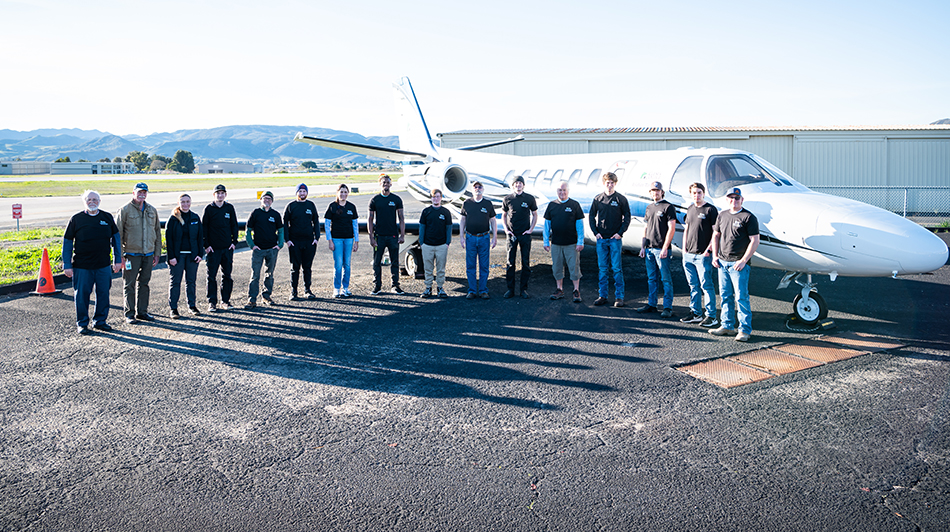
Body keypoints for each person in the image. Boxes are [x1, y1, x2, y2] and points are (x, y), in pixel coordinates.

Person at [63, 190, 122, 335]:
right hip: (82, 266)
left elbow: (116, 240)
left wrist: (117, 260)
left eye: (95, 199)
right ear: (84, 201)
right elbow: (67, 242)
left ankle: (100, 321)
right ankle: (82, 323)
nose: (92, 202)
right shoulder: (76, 219)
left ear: (99, 201)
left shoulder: (106, 217)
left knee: (103, 294)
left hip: (103, 265)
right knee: (82, 295)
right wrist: (67, 264)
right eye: (89, 199)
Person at [710, 187, 760, 342]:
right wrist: (715, 255)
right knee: (725, 296)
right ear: (727, 199)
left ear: (742, 200)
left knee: (741, 297)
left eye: (737, 198)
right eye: (731, 198)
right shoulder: (722, 215)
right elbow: (716, 235)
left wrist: (743, 260)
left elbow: (755, 240)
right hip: (723, 262)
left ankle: (744, 330)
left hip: (738, 265)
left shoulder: (748, 217)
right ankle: (727, 326)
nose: (734, 200)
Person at [116, 182, 161, 324]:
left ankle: (142, 312)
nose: (142, 194)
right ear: (133, 193)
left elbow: (157, 233)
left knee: (144, 283)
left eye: (144, 192)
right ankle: (129, 313)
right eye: (139, 192)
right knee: (129, 284)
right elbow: (118, 235)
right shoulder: (125, 210)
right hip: (131, 254)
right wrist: (120, 256)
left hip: (148, 254)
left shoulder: (152, 210)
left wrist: (157, 253)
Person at [680, 182, 720, 328]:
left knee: (706, 286)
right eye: (694, 193)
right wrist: (684, 250)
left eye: (699, 192)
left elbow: (716, 233)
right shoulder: (690, 209)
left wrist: (708, 251)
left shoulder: (710, 210)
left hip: (702, 256)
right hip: (688, 255)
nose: (696, 195)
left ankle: (711, 316)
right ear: (691, 194)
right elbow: (687, 229)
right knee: (693, 286)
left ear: (703, 193)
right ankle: (696, 313)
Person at [589, 172, 631, 307]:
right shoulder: (598, 199)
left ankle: (619, 297)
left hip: (615, 240)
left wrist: (620, 233)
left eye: (612, 182)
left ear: (615, 184)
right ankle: (603, 295)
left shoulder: (620, 199)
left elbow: (627, 218)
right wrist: (596, 233)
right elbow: (591, 217)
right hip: (602, 239)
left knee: (617, 269)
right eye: (607, 182)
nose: (610, 185)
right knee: (602, 269)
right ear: (604, 183)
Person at [637, 181, 677, 317]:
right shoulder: (649, 208)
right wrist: (643, 247)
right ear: (650, 193)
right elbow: (646, 228)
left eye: (657, 191)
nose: (655, 193)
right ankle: (652, 304)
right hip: (649, 249)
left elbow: (672, 228)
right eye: (653, 191)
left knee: (666, 279)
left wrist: (665, 247)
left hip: (661, 249)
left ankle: (667, 307)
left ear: (662, 192)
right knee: (651, 279)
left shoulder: (668, 207)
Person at [543, 182, 584, 303]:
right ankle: (559, 289)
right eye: (560, 190)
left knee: (574, 267)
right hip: (556, 243)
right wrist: (546, 241)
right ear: (557, 191)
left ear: (568, 191)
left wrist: (580, 241)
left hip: (571, 243)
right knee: (557, 267)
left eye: (564, 190)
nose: (562, 192)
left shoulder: (574, 205)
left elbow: (580, 226)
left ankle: (576, 291)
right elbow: (547, 226)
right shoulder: (552, 205)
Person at [165, 193, 204, 319]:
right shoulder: (173, 219)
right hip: (177, 256)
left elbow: (199, 238)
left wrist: (199, 254)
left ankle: (192, 306)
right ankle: (174, 309)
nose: (185, 204)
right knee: (175, 282)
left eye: (187, 201)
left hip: (192, 256)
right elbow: (169, 240)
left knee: (191, 282)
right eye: (183, 202)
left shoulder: (195, 217)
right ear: (178, 203)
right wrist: (171, 256)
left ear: (190, 202)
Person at [203, 184, 239, 312]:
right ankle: (212, 302)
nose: (220, 195)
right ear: (214, 195)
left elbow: (234, 226)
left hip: (227, 249)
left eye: (222, 193)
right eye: (218, 193)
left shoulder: (229, 208)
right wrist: (206, 245)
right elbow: (204, 228)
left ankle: (225, 301)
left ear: (225, 195)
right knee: (211, 276)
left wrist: (234, 242)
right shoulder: (209, 209)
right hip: (213, 250)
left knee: (227, 276)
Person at [244, 191, 284, 309]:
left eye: (269, 199)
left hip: (271, 249)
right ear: (261, 199)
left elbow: (281, 230)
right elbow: (248, 230)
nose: (267, 200)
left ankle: (266, 296)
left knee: (269, 274)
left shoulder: (275, 215)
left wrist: (280, 244)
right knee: (255, 275)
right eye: (264, 198)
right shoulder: (255, 213)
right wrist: (252, 245)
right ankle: (252, 299)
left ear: (272, 201)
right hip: (258, 250)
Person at [368, 174, 406, 295]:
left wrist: (402, 235)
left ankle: (395, 286)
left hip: (393, 236)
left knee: (394, 262)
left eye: (388, 182)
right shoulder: (375, 200)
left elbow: (401, 218)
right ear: (380, 184)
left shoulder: (396, 199)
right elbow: (370, 219)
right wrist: (371, 237)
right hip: (379, 236)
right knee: (376, 262)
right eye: (383, 182)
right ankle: (377, 286)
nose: (386, 184)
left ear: (391, 184)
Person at [502, 175, 538, 299]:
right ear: (513, 186)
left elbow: (534, 214)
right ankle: (510, 290)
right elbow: (504, 214)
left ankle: (523, 289)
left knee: (526, 263)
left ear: (523, 185)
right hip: (512, 235)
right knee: (510, 263)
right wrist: (506, 230)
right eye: (516, 183)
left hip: (525, 235)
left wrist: (531, 229)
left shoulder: (529, 198)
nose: (518, 185)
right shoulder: (508, 199)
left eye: (520, 183)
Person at [459, 181, 497, 299]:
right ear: (472, 189)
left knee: (484, 265)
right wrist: (461, 237)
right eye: (475, 187)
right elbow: (463, 220)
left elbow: (493, 221)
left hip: (484, 238)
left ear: (483, 189)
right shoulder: (466, 203)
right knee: (470, 265)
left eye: (479, 187)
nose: (477, 189)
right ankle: (471, 291)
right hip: (470, 237)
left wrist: (494, 237)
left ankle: (483, 290)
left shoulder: (488, 204)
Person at [283, 183, 320, 301]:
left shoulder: (311, 205)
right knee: (295, 267)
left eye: (304, 191)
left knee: (307, 267)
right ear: (296, 193)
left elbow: (316, 221)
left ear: (307, 193)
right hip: (294, 242)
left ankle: (307, 290)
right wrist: (287, 240)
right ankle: (294, 291)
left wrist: (316, 238)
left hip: (309, 242)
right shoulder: (291, 206)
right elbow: (284, 223)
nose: (302, 193)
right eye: (300, 191)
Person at [325, 184, 359, 298]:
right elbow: (327, 224)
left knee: (347, 264)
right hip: (336, 239)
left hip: (349, 239)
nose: (343, 194)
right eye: (341, 192)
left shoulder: (352, 207)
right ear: (337, 193)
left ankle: (345, 288)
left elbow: (355, 225)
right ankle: (336, 288)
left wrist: (356, 241)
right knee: (338, 265)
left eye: (345, 192)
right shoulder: (332, 206)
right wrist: (329, 240)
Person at [418, 189, 453, 298]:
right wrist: (422, 242)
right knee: (428, 268)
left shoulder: (446, 212)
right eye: (433, 197)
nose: (435, 198)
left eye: (437, 196)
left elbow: (449, 228)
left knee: (441, 268)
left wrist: (447, 242)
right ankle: (428, 288)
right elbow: (422, 228)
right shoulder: (426, 212)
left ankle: (440, 288)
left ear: (441, 198)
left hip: (441, 245)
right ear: (431, 198)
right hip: (427, 245)